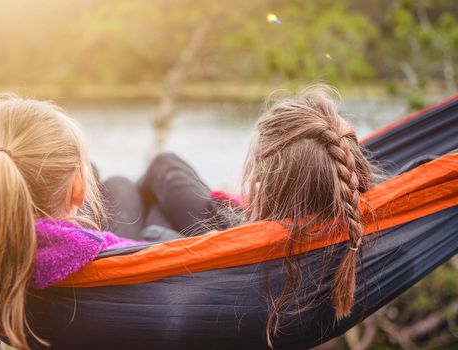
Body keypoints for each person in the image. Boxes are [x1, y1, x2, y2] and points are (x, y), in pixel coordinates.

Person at [138, 85, 375, 336]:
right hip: (249, 228)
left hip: (233, 242)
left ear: (265, 186)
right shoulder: (369, 219)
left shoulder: (253, 261)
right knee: (163, 169)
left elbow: (153, 234)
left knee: (132, 183)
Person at [0, 94, 146, 349]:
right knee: (143, 176)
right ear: (79, 188)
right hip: (138, 258)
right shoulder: (109, 253)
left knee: (115, 181)